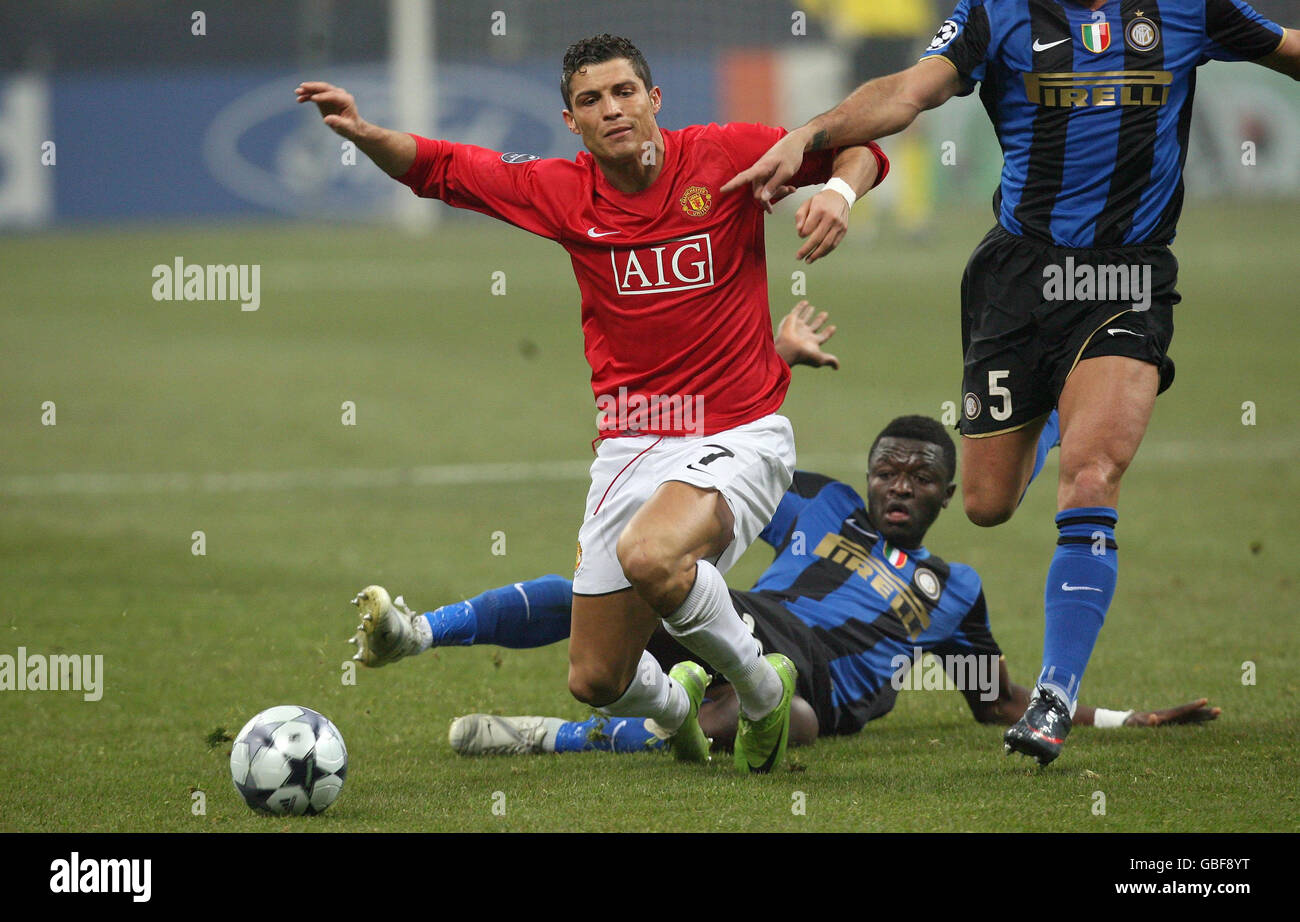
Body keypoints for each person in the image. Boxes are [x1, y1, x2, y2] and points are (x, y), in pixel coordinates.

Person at [723, 1, 1296, 765]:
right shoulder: (998, 13)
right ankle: (1075, 401)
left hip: (1128, 277)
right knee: (989, 502)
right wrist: (811, 139)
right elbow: (908, 92)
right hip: (1017, 283)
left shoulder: (1191, 7)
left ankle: (1054, 696)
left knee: (1091, 474)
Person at [299, 36, 889, 774]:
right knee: (597, 678)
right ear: (571, 120)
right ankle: (678, 711)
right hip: (630, 446)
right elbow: (442, 168)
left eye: (623, 92)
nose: (611, 109)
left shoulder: (725, 156)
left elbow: (856, 146)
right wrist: (365, 132)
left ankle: (764, 695)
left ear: (654, 100)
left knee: (652, 555)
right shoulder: (563, 190)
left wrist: (837, 193)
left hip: (741, 430)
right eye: (590, 100)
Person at [343, 405, 1217, 757]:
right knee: (612, 592)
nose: (900, 485)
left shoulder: (957, 589)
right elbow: (731, 463)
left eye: (919, 476)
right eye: (889, 471)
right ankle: (422, 632)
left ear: (950, 494)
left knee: (772, 720)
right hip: (747, 618)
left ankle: (547, 737)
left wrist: (1121, 716)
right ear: (870, 477)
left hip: (829, 691)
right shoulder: (821, 504)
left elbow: (994, 701)